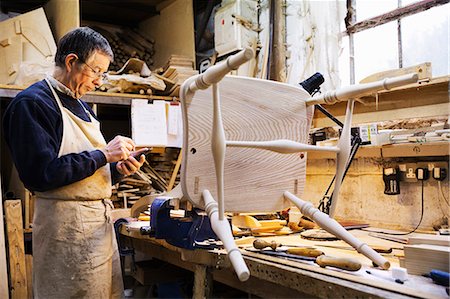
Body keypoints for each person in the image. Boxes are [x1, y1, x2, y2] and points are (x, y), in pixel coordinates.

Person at [3, 27, 147, 298]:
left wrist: (114, 171)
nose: (99, 82)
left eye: (103, 74)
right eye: (96, 71)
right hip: (65, 232)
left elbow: (81, 172)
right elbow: (41, 175)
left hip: (97, 229)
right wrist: (104, 155)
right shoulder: (33, 104)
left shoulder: (82, 105)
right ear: (71, 62)